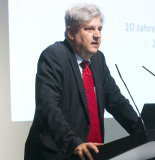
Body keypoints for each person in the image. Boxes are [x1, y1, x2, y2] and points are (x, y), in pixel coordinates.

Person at [24, 3, 141, 160]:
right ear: (71, 33)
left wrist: (144, 133)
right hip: (57, 154)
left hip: (90, 154)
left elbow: (117, 102)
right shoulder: (54, 56)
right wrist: (73, 142)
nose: (97, 35)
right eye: (89, 29)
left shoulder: (98, 59)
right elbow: (48, 107)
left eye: (99, 29)